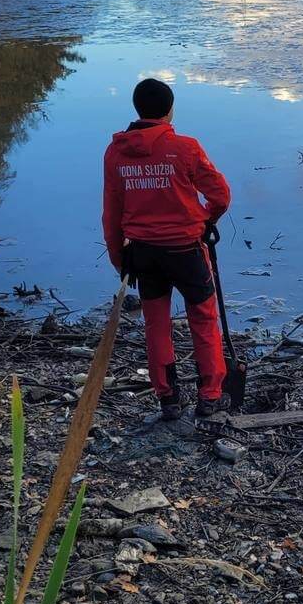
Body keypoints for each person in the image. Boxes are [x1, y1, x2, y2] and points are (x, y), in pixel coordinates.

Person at [102, 78, 231, 421]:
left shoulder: (116, 153)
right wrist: (206, 220)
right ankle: (210, 395)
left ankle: (168, 398)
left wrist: (119, 260)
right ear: (171, 111)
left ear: (137, 109)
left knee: (155, 323)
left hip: (143, 252)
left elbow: (111, 214)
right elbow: (221, 195)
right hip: (185, 250)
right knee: (203, 318)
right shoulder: (186, 149)